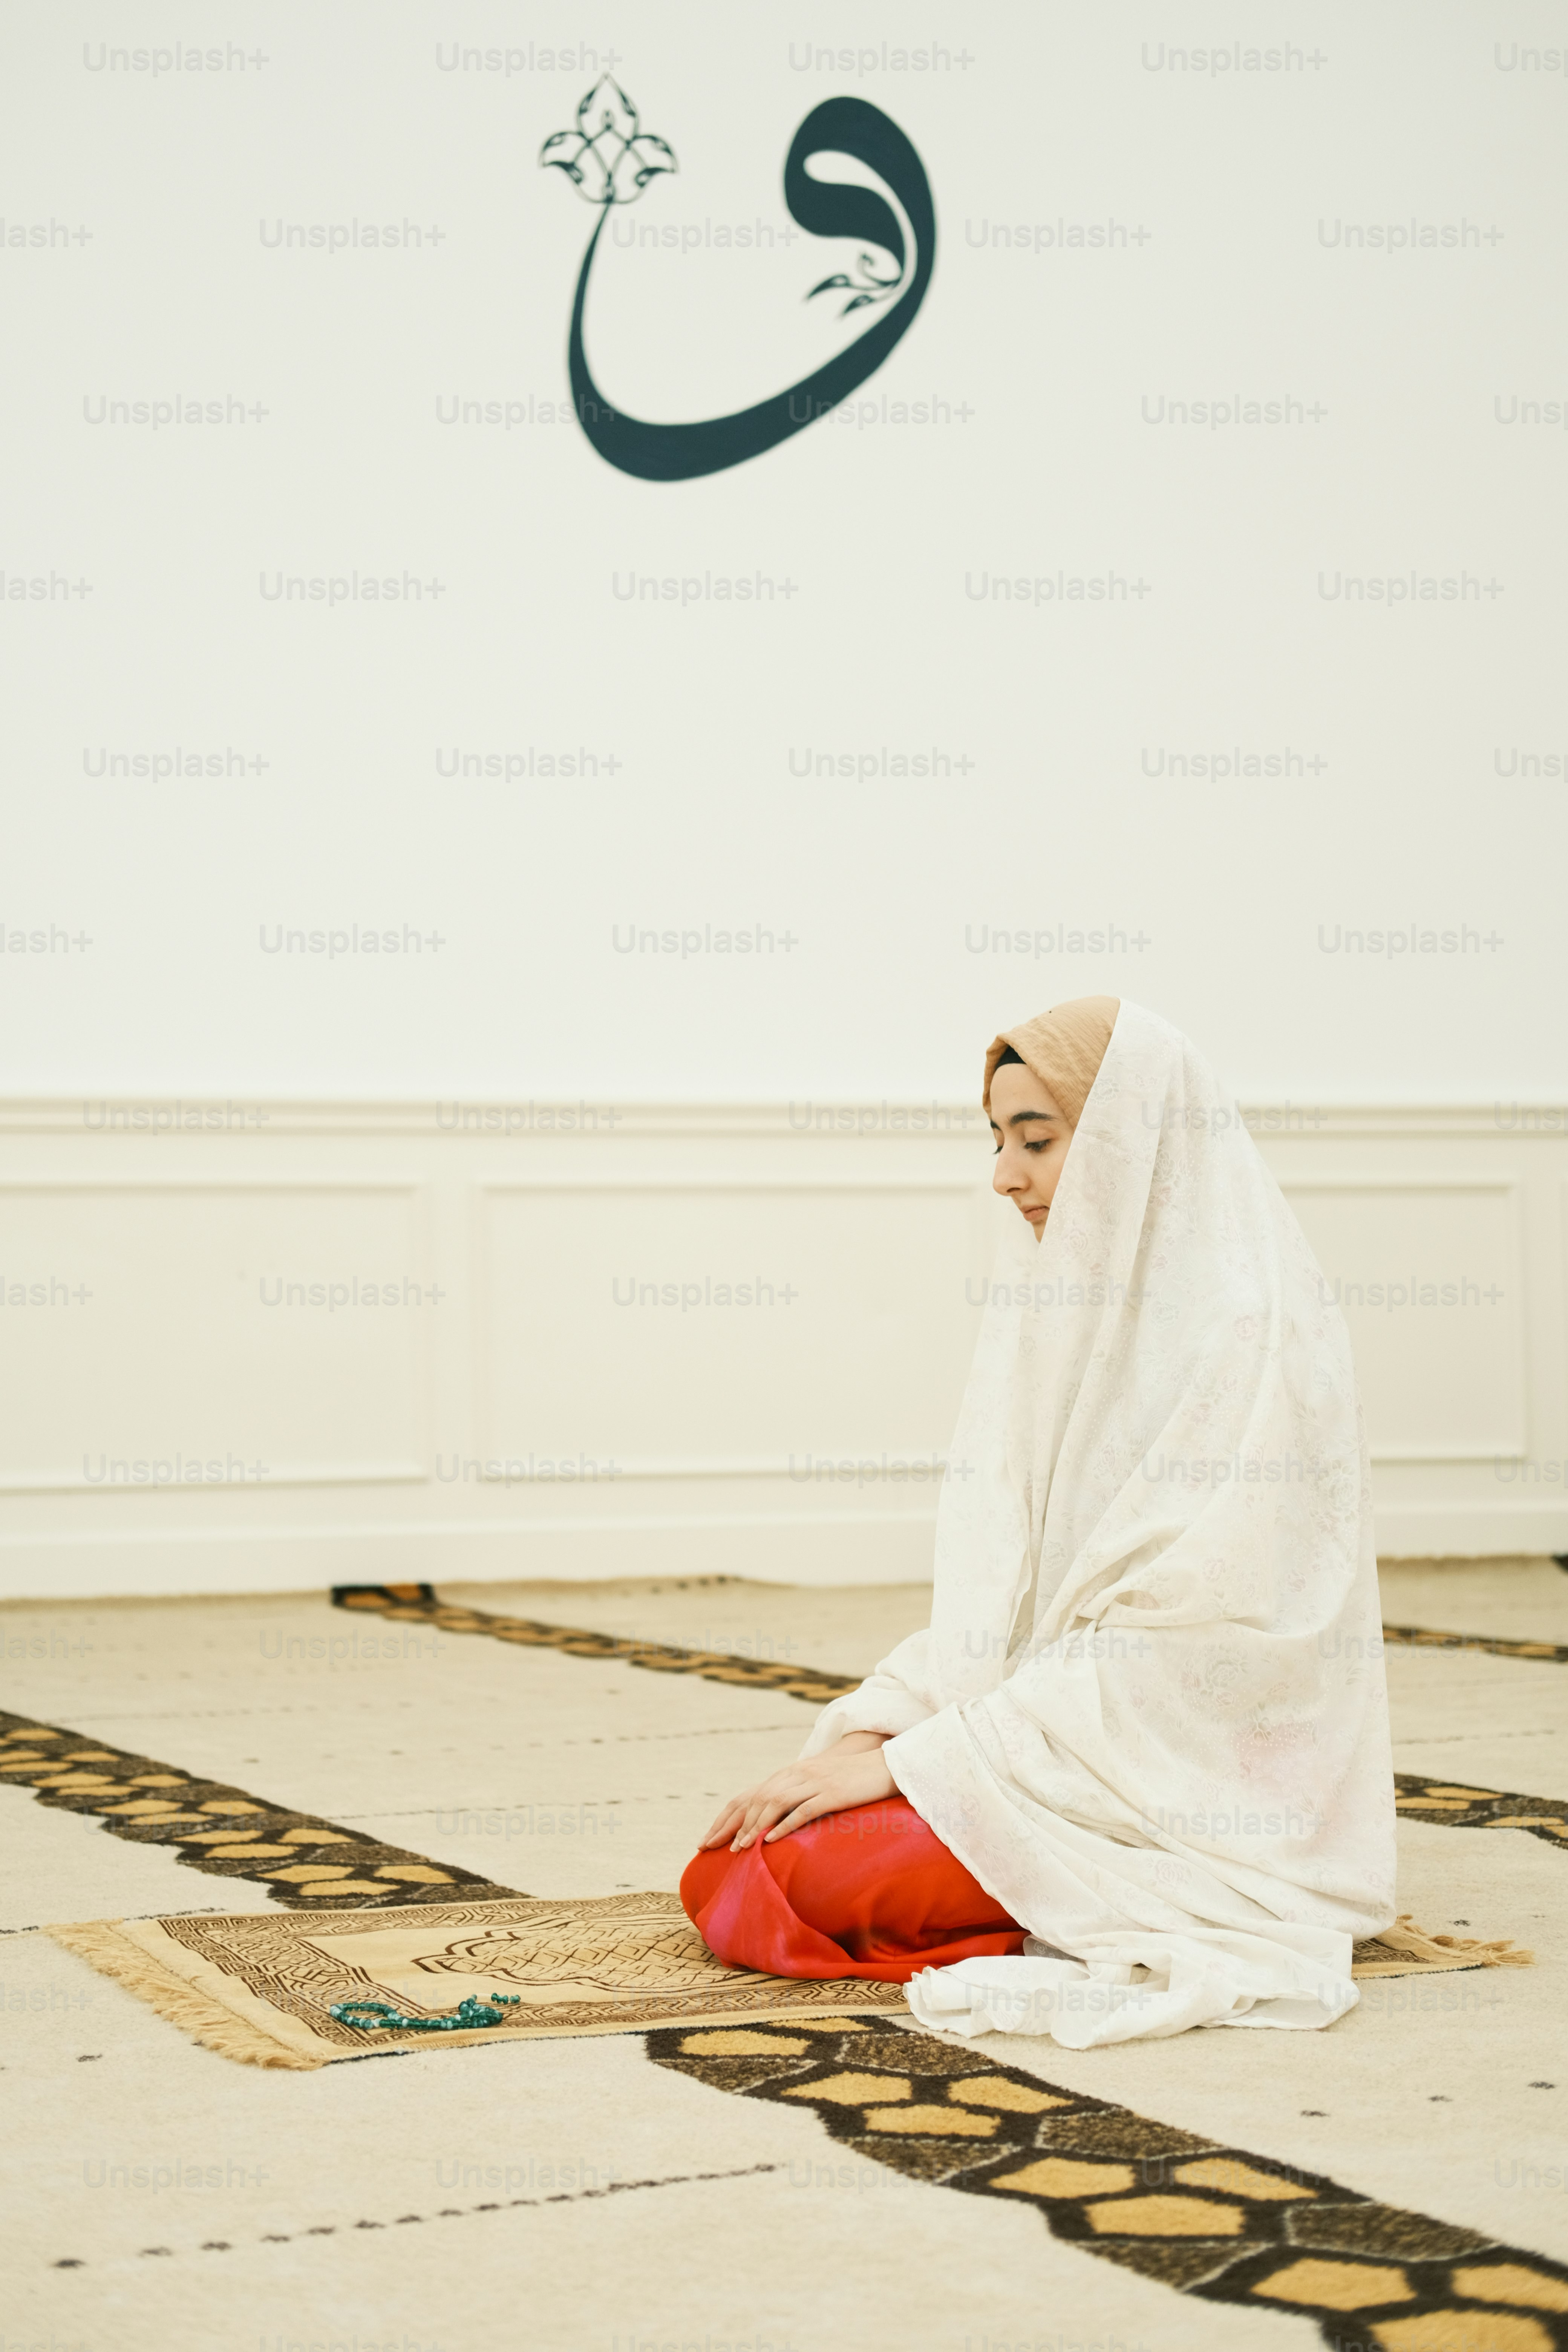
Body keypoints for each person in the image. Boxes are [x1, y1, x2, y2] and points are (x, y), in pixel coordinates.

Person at [680, 997, 1397, 2046]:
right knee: (733, 1864)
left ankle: (1061, 1897)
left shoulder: (1249, 1333)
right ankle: (1016, 1882)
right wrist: (891, 1727)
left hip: (1190, 1787)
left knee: (775, 1885)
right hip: (1060, 1744)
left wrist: (914, 1768)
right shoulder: (1071, 1316)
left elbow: (1203, 1655)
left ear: (1129, 1139)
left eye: (1039, 1140)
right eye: (998, 1139)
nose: (1004, 1176)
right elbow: (1013, 1598)